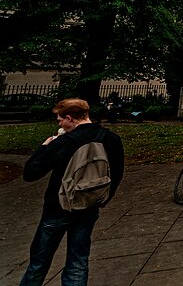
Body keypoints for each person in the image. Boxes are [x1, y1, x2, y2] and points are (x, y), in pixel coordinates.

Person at [20, 98, 124, 286]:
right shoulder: (110, 138)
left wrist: (44, 147)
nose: (59, 123)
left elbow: (30, 173)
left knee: (39, 263)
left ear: (69, 118)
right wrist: (105, 198)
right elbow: (116, 172)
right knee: (78, 261)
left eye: (60, 120)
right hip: (89, 206)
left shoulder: (65, 141)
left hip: (57, 208)